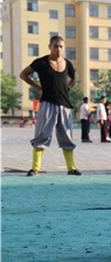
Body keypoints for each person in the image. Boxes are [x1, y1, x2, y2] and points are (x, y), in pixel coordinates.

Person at [19, 35, 82, 176]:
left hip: (65, 104)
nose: (58, 49)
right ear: (50, 47)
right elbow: (23, 74)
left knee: (67, 137)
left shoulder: (68, 64)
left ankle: (71, 168)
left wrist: (68, 87)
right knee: (42, 135)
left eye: (61, 46)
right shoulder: (41, 62)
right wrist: (37, 87)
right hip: (47, 103)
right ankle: (35, 168)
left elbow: (74, 78)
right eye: (56, 46)